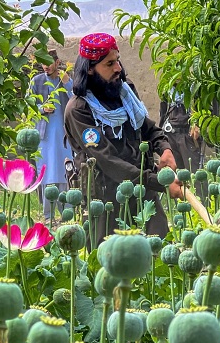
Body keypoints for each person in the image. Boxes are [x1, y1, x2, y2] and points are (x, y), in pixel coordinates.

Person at [64, 33, 184, 246]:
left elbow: (146, 127)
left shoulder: (124, 92)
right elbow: (107, 160)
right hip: (106, 200)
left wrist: (164, 148)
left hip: (143, 191)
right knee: (109, 257)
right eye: (109, 64)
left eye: (117, 60)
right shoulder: (79, 110)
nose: (118, 68)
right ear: (90, 69)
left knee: (158, 249)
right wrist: (159, 182)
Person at [30, 49, 73, 220]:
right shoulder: (36, 81)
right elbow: (28, 105)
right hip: (44, 135)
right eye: (43, 63)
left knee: (64, 171)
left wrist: (68, 83)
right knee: (46, 173)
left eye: (48, 63)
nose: (45, 66)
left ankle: (67, 214)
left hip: (64, 135)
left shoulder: (65, 79)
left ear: (57, 62)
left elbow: (77, 99)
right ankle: (48, 215)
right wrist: (42, 108)